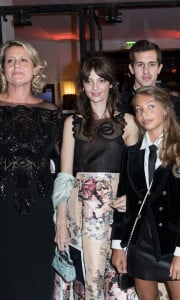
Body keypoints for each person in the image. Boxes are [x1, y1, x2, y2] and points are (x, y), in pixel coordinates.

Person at [53, 55, 139, 299]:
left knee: (120, 280)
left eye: (101, 80)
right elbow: (64, 176)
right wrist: (60, 221)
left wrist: (131, 198)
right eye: (89, 81)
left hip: (118, 212)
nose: (95, 87)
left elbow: (136, 175)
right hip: (80, 213)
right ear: (82, 85)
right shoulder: (73, 123)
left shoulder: (129, 123)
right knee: (88, 277)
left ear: (111, 83)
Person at [111, 86, 180, 300]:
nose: (144, 114)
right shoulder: (131, 155)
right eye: (139, 109)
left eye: (151, 106)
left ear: (166, 110)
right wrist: (117, 246)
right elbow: (123, 204)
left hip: (171, 243)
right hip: (140, 243)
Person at [0, 39, 62, 299]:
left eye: (23, 60)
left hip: (39, 207)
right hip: (2, 207)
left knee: (38, 278)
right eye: (10, 60)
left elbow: (62, 165)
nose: (16, 65)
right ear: (2, 69)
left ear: (35, 68)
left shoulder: (51, 112)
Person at [121, 39, 180, 116]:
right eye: (140, 65)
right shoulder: (117, 104)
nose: (146, 71)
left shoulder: (174, 104)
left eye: (151, 64)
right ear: (131, 69)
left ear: (159, 68)